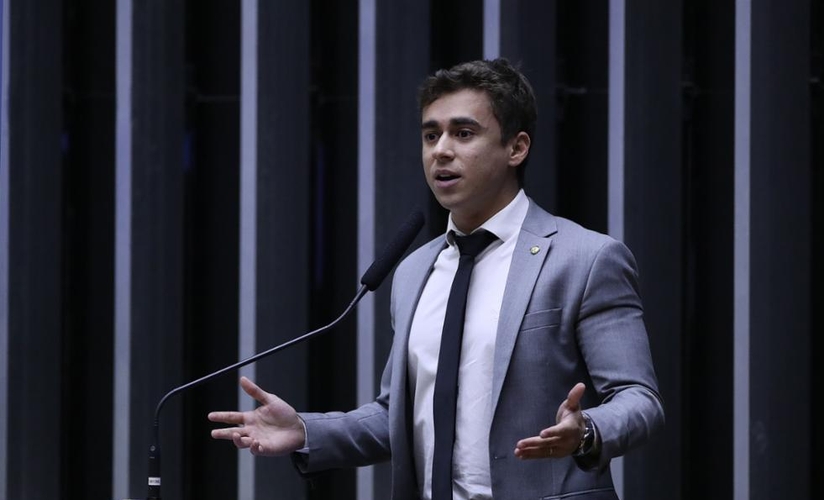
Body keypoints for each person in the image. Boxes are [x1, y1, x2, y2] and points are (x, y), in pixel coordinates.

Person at [209, 58, 664, 500]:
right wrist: (305, 430)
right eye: (431, 135)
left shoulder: (585, 258)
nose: (441, 150)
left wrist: (586, 431)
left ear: (516, 147)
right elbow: (398, 418)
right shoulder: (413, 271)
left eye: (463, 133)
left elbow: (639, 399)